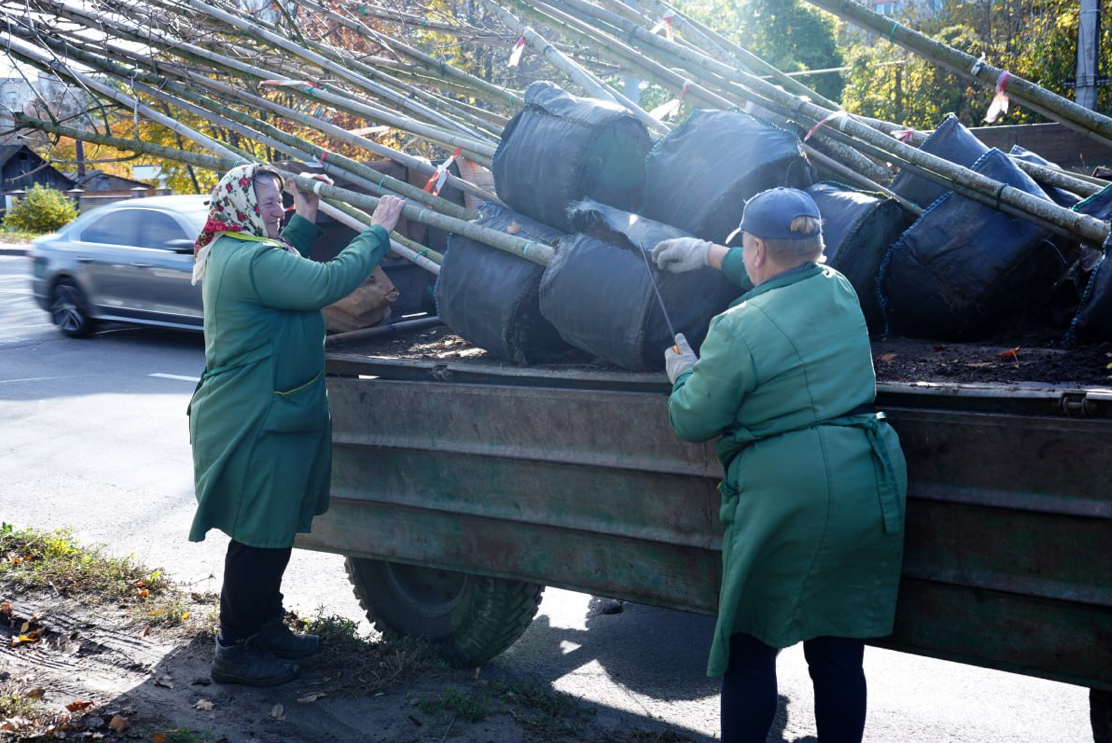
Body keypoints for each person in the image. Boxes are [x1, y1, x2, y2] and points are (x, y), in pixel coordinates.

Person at [653, 188, 907, 743]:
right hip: (867, 478)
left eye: (744, 249)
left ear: (757, 251)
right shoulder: (838, 288)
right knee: (837, 651)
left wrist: (684, 372)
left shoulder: (736, 329)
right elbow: (781, 284)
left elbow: (693, 420)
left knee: (750, 648)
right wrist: (708, 254)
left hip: (788, 498)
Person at [186, 163, 405, 687]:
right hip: (254, 417)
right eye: (267, 204)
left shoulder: (238, 247)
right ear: (240, 206)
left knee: (272, 528)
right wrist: (378, 231)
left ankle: (264, 627)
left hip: (265, 411)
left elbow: (287, 256)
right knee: (258, 537)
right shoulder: (250, 259)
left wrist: (304, 215)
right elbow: (326, 281)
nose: (276, 212)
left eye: (279, 204)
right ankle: (235, 648)